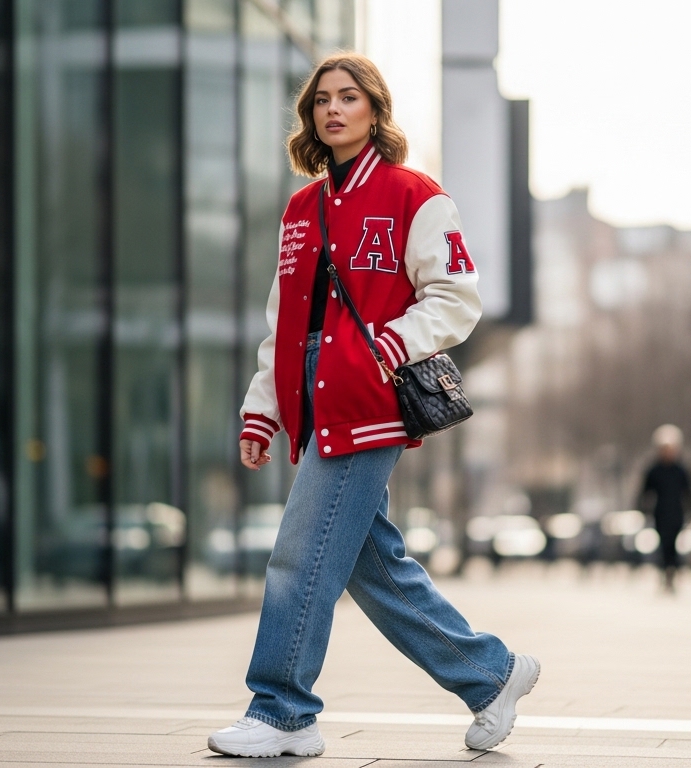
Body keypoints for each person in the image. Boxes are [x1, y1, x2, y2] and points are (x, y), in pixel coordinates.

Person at [207, 53, 538, 758]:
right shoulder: (301, 210)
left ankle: (283, 711)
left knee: (299, 556)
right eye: (321, 100)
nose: (332, 109)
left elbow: (456, 297)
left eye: (347, 97)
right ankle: (492, 675)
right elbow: (283, 320)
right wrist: (260, 410)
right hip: (310, 392)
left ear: (374, 110)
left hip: (371, 398)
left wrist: (387, 347)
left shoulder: (416, 195)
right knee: (373, 566)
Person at [638, 424, 691, 593]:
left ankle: (673, 574)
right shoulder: (654, 470)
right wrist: (643, 509)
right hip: (660, 514)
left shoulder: (680, 470)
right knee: (663, 545)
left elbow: (689, 492)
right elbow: (644, 492)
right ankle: (665, 574)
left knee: (674, 546)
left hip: (677, 513)